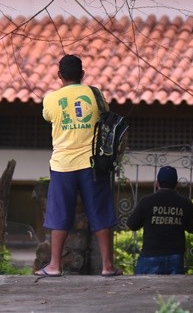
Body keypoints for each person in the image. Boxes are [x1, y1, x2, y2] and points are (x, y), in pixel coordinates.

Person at [37, 54, 121, 277]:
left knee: (59, 214)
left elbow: (47, 117)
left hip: (62, 165)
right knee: (100, 212)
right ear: (82, 74)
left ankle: (55, 265)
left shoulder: (51, 99)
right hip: (92, 163)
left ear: (59, 75)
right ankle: (107, 266)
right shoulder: (95, 94)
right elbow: (106, 116)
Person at [126, 166, 193, 275]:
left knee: (144, 290)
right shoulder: (185, 203)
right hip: (175, 256)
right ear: (176, 184)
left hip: (150, 256)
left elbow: (132, 225)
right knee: (173, 291)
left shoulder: (146, 201)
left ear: (157, 183)